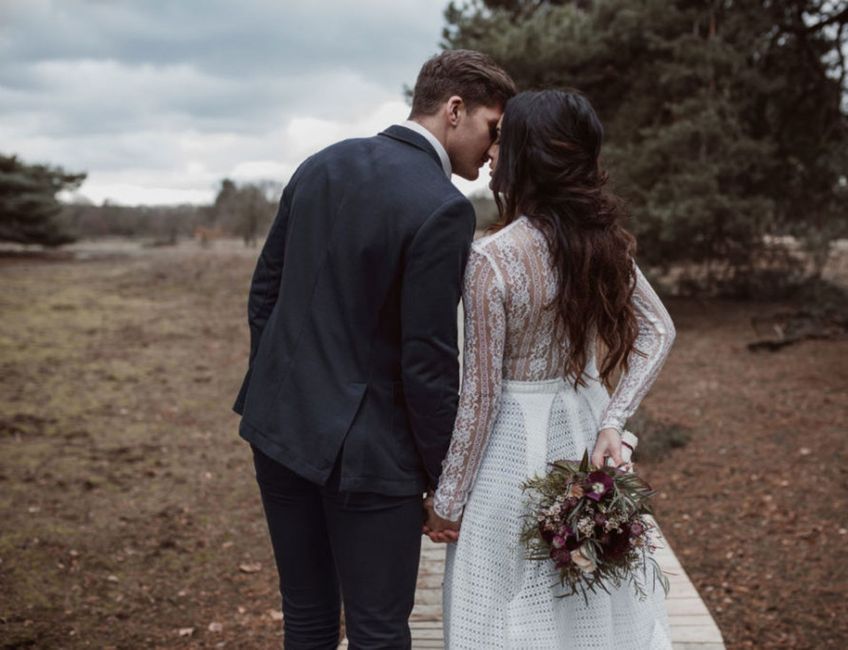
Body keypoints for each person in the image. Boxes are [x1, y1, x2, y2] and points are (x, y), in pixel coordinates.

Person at [231, 50, 515, 649]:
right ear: (455, 110)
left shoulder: (322, 164)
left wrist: (281, 385)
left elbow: (265, 294)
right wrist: (446, 479)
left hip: (278, 431)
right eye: (493, 129)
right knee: (378, 631)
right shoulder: (442, 208)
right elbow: (429, 362)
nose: (494, 153)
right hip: (370, 459)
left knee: (306, 618)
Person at [426, 89, 677, 649]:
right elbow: (660, 330)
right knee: (583, 591)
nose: (491, 153)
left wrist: (447, 501)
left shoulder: (492, 258)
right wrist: (613, 421)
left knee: (505, 601)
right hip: (583, 432)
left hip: (511, 451)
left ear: (526, 156)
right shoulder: (603, 244)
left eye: (502, 141)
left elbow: (482, 396)